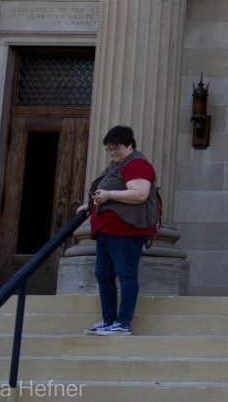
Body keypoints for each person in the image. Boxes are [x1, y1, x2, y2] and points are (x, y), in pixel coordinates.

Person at [76, 125, 159, 336]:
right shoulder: (117, 165)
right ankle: (109, 320)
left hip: (127, 232)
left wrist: (108, 195)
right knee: (103, 275)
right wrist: (90, 205)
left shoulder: (137, 164)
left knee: (126, 275)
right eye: (109, 148)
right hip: (108, 232)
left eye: (116, 148)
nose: (112, 152)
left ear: (129, 145)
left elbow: (139, 194)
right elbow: (104, 194)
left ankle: (123, 323)